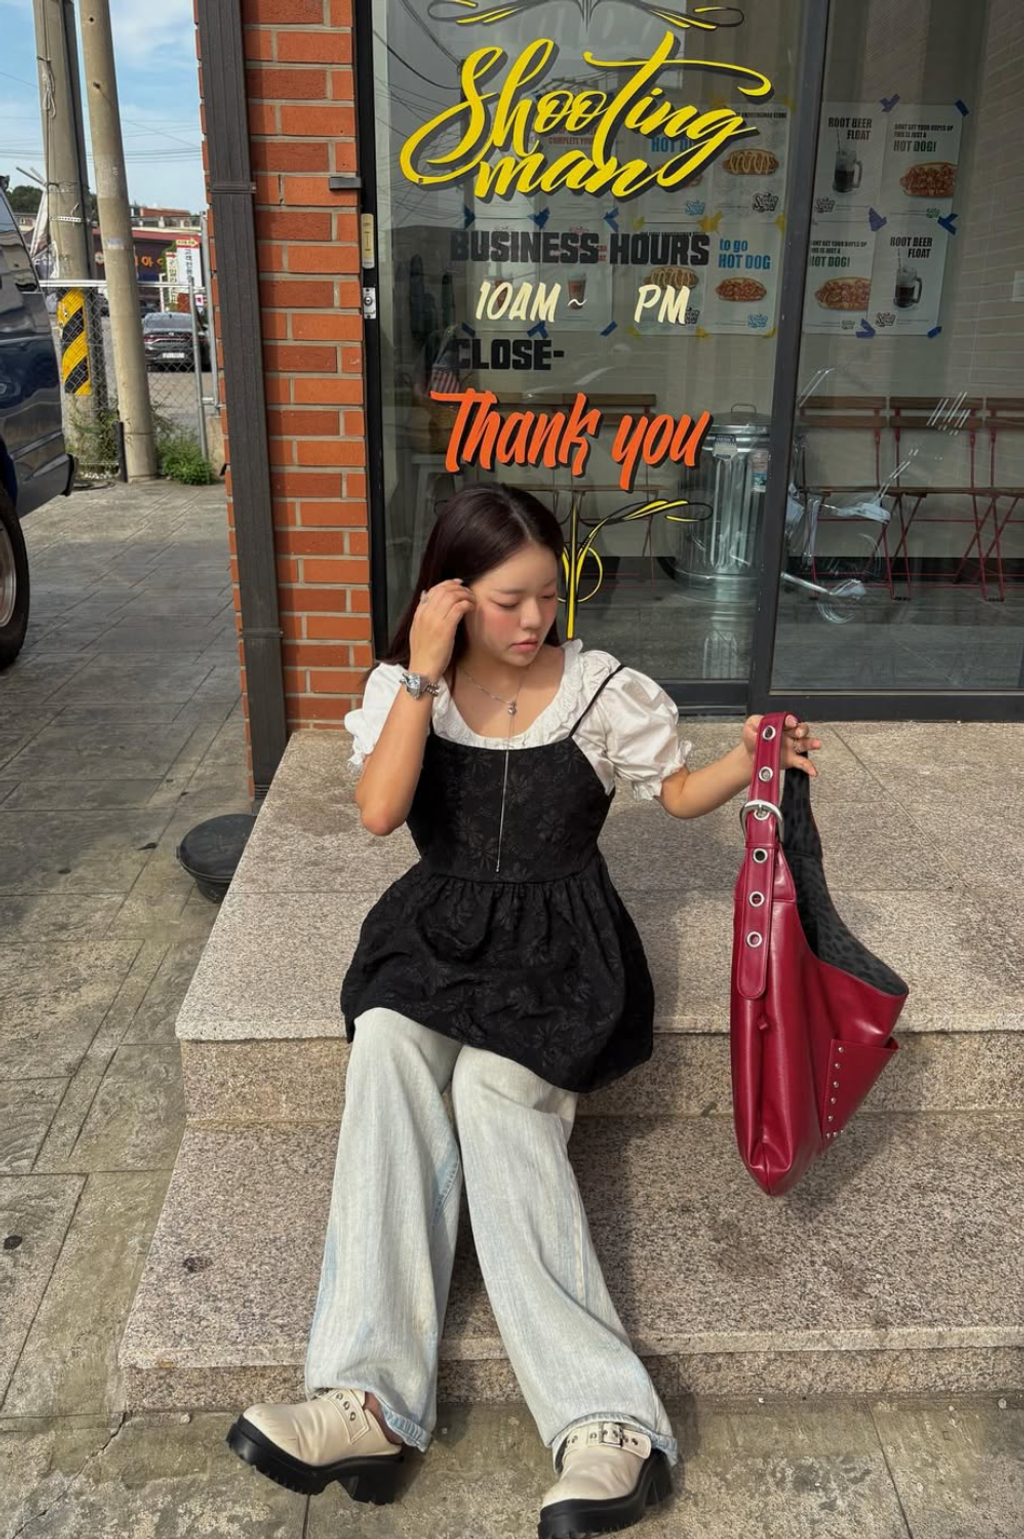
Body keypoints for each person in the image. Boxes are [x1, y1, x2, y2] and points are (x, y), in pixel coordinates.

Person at [227, 483, 820, 1536]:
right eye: (508, 599)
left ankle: (605, 1420)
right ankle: (365, 1400)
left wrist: (754, 754)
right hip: (437, 932)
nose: (535, 618)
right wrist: (421, 668)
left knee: (497, 1096)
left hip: (559, 947)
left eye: (549, 594)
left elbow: (677, 793)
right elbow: (378, 813)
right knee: (387, 1045)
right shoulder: (409, 688)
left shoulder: (598, 689)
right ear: (451, 595)